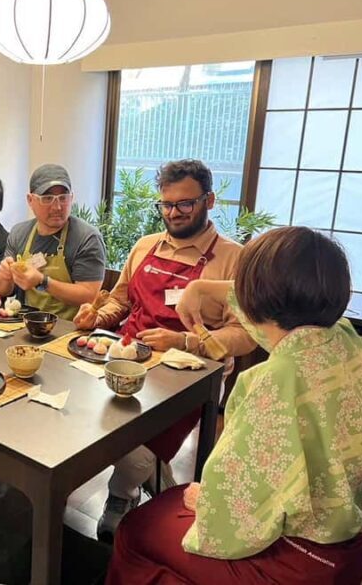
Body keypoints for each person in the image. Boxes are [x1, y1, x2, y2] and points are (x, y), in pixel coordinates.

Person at [106, 227, 362, 585]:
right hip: (349, 538)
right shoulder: (341, 337)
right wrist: (201, 287)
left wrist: (205, 502)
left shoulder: (274, 381)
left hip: (300, 562)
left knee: (135, 531)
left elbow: (234, 512)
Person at [73, 159, 255, 541]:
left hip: (192, 378)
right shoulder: (145, 247)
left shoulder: (233, 258)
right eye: (166, 205)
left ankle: (121, 496)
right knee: (87, 420)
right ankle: (160, 482)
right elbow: (120, 303)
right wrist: (96, 317)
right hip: (127, 361)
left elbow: (246, 335)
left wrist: (186, 341)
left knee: (132, 447)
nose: (173, 213)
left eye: (184, 204)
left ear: (210, 200)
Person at [0, 164, 105, 320]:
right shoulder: (19, 233)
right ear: (30, 200)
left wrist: (42, 281)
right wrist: (4, 274)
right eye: (47, 198)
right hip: (24, 322)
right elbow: (2, 289)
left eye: (63, 198)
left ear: (71, 198)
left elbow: (89, 295)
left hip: (70, 330)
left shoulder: (87, 238)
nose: (57, 206)